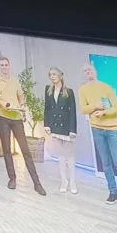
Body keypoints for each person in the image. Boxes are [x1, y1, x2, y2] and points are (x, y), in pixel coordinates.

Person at [78, 62, 117, 212]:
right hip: (96, 129)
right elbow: (83, 109)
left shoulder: (107, 88)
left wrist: (104, 112)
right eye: (85, 71)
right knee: (106, 163)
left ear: (95, 71)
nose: (88, 72)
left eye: (90, 70)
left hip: (112, 129)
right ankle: (113, 193)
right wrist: (96, 107)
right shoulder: (83, 90)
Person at [0, 56, 46, 196]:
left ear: (9, 66)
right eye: (2, 65)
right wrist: (1, 104)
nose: (4, 67)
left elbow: (21, 96)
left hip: (16, 117)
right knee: (7, 149)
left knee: (25, 150)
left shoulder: (15, 80)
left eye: (6, 65)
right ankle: (12, 179)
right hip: (2, 116)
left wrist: (23, 105)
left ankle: (37, 183)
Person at [43, 66, 78, 194]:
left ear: (60, 76)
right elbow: (47, 108)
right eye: (50, 74)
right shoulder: (48, 90)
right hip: (55, 126)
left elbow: (72, 111)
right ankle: (64, 180)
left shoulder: (69, 92)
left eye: (54, 74)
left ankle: (72, 181)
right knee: (61, 156)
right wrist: (47, 124)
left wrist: (73, 130)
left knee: (70, 155)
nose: (52, 77)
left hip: (67, 127)